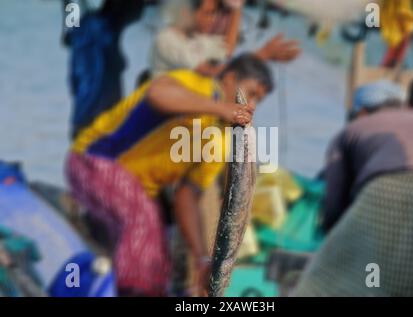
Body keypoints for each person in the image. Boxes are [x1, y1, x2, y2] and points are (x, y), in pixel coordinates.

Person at [65, 54, 273, 296]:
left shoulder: (223, 140)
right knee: (142, 221)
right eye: (251, 93)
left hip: (137, 190)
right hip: (94, 160)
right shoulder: (194, 83)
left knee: (160, 261)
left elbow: (187, 196)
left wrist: (202, 258)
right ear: (229, 79)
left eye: (260, 100)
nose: (253, 105)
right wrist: (220, 107)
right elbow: (157, 94)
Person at [293, 80, 413, 297]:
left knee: (355, 280)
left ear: (362, 112)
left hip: (385, 194)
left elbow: (335, 202)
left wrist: (332, 239)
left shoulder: (350, 131)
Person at [321, 80, 413, 233]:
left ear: (361, 113)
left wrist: (329, 234)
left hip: (380, 206)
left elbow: (333, 206)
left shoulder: (352, 131)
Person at [151, 0, 300, 77]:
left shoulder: (197, 40)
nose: (213, 19)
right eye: (208, 13)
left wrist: (237, 8)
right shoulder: (167, 39)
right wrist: (262, 55)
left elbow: (227, 50)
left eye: (214, 13)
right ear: (186, 11)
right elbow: (212, 72)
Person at [66, 0, 146, 139]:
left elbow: (75, 81)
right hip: (95, 120)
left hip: (90, 119)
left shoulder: (94, 28)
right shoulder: (101, 30)